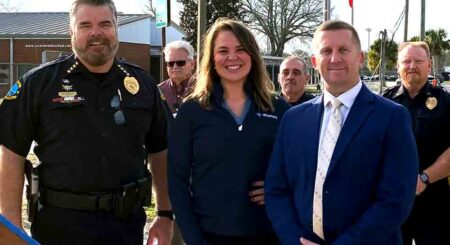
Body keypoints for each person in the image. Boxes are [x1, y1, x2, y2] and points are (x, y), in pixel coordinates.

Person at [0, 0, 173, 244]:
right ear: (71, 32)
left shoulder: (143, 84)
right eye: (85, 25)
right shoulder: (39, 84)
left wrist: (165, 213)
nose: (96, 33)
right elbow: (11, 152)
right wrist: (11, 227)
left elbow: (160, 149)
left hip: (125, 227)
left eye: (105, 24)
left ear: (116, 29)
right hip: (59, 227)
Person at [265, 20, 419, 245]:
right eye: (326, 51)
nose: (335, 58)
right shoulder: (294, 119)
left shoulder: (392, 117)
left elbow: (396, 200)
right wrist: (294, 240)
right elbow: (277, 189)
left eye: (343, 50)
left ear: (360, 58)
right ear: (315, 62)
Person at [167, 18, 290, 244]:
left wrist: (278, 187)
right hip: (209, 235)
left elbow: (299, 170)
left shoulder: (279, 109)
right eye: (223, 50)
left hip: (269, 234)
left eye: (240, 49)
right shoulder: (192, 112)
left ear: (252, 55)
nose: (232, 57)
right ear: (212, 59)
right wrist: (194, 239)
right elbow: (176, 181)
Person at [382, 41, 450, 245]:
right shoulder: (383, 102)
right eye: (407, 61)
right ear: (398, 65)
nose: (412, 66)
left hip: (434, 202)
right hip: (391, 201)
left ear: (429, 65)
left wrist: (425, 178)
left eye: (418, 61)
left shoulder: (445, 102)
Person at [159, 40, 195, 115]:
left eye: (180, 63)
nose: (175, 67)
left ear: (192, 64)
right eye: (170, 63)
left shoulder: (204, 88)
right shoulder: (158, 91)